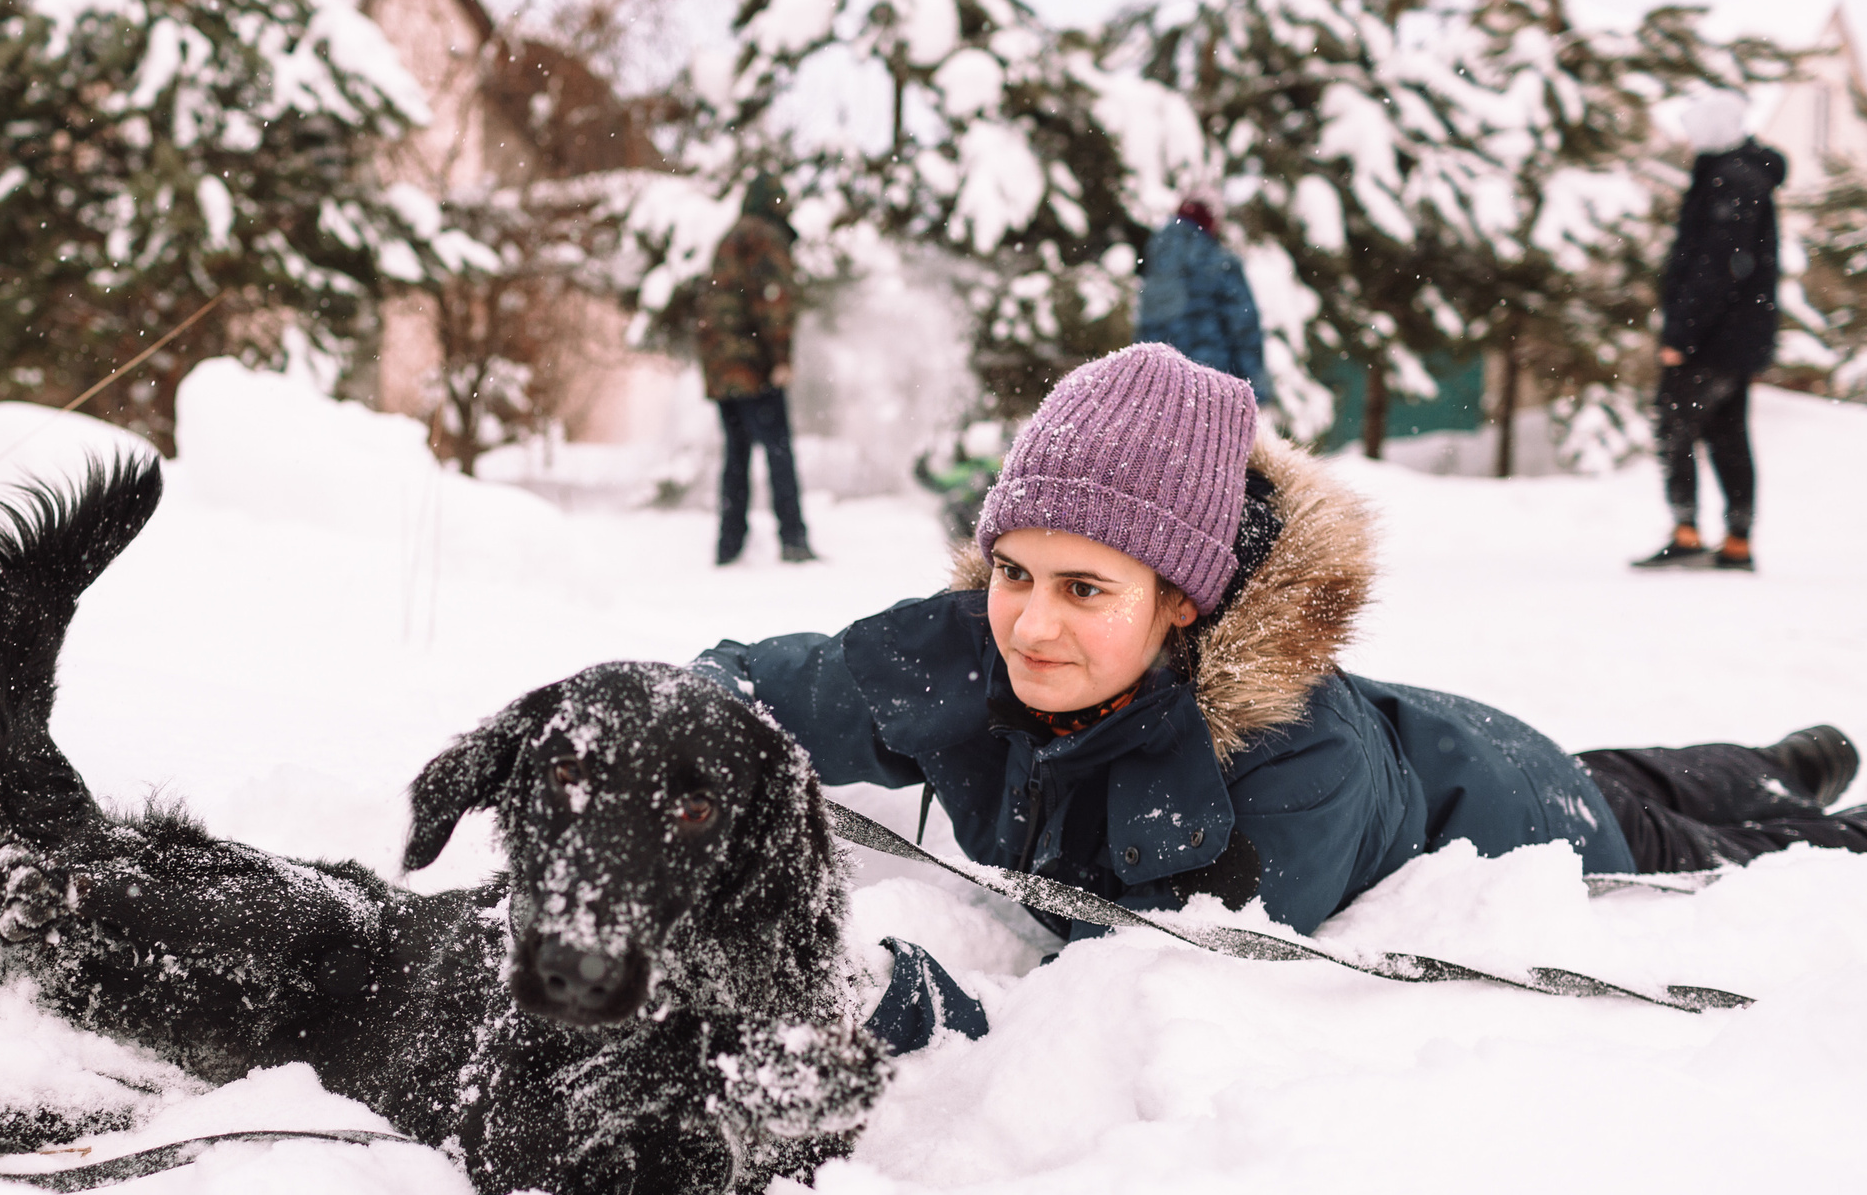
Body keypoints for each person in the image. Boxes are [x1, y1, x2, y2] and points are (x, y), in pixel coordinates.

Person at [694, 343, 1864, 949]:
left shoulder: (1288, 773)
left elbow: (1136, 984)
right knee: (1634, 771)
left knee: (1677, 832)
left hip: (1505, 804)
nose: (1031, 623)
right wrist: (664, 721)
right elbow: (755, 686)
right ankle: (1777, 752)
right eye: (1012, 572)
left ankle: (1806, 804)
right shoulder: (980, 643)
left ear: (1183, 604)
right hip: (1445, 730)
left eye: (1085, 588)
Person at [1635, 90, 1788, 572]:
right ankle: (1736, 541)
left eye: (1696, 126)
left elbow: (1717, 267)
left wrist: (1680, 335)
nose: (1688, 136)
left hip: (1713, 337)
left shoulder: (1731, 178)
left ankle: (1688, 532)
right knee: (1726, 431)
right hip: (1735, 334)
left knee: (1674, 425)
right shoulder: (1740, 174)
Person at [697, 173, 815, 565]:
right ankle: (794, 539)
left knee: (737, 454)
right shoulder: (765, 237)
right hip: (752, 364)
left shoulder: (729, 237)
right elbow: (773, 300)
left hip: (720, 366)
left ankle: (728, 545)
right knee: (778, 450)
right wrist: (780, 358)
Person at [1133, 191, 1274, 403]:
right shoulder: (1220, 262)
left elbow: (1146, 329)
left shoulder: (1157, 264)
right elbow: (1244, 327)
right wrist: (1256, 388)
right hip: (1215, 384)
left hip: (1165, 389)